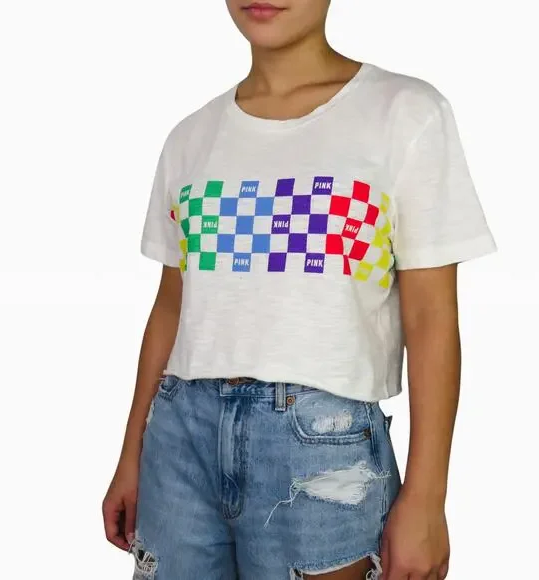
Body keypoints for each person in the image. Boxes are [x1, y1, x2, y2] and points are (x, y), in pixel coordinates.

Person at [103, 1, 496, 578]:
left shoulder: (405, 113)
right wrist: (131, 452)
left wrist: (428, 496)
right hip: (179, 444)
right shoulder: (191, 136)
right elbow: (171, 306)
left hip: (320, 449)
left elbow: (432, 317)